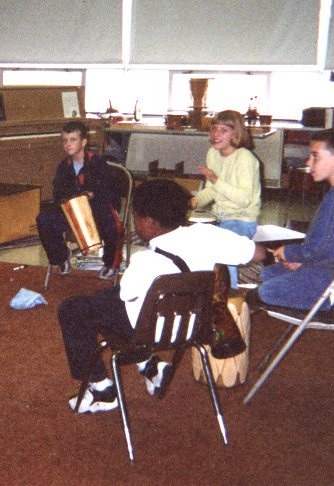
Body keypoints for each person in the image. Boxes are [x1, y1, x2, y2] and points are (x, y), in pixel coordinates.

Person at [58, 179, 264, 413]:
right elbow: (257, 253)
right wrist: (277, 256)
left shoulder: (144, 261)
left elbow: (127, 294)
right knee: (105, 301)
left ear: (149, 222)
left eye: (136, 217)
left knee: (74, 309)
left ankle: (101, 389)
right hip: (194, 328)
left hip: (151, 332)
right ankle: (150, 367)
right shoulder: (207, 234)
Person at [249, 128, 334, 312]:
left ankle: (330, 302)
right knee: (268, 274)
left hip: (331, 277)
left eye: (315, 156)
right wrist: (303, 261)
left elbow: (322, 247)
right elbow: (332, 246)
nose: (308, 162)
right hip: (331, 267)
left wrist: (290, 252)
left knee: (266, 292)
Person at [36, 121, 121, 280]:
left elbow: (110, 192)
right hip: (73, 211)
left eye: (73, 140)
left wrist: (93, 195)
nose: (68, 144)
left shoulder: (98, 163)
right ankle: (61, 257)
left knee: (111, 223)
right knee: (44, 219)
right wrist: (70, 198)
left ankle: (111, 264)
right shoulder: (63, 166)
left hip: (97, 209)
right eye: (65, 140)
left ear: (83, 142)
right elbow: (58, 193)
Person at [191, 110, 262, 288]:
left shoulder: (245, 158)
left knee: (223, 250)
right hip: (219, 217)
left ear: (236, 134)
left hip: (242, 219)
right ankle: (201, 289)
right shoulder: (212, 153)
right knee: (193, 243)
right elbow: (212, 190)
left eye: (224, 130)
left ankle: (230, 294)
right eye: (214, 129)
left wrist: (215, 179)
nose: (216, 134)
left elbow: (244, 200)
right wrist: (194, 201)